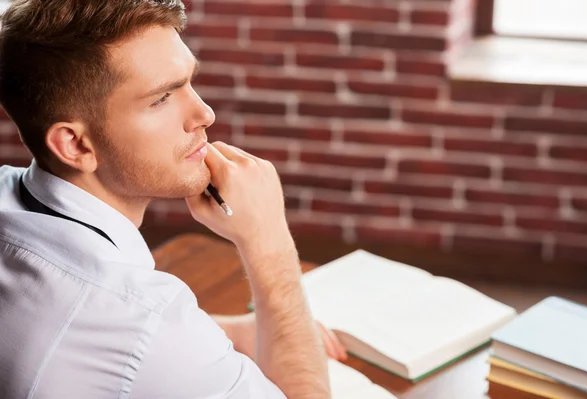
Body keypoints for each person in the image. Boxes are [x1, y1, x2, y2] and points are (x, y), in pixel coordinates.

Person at [0, 0, 346, 397]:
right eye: (161, 98)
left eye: (188, 83)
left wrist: (222, 333)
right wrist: (269, 242)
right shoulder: (147, 323)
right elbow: (136, 333)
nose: (204, 114)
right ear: (76, 145)